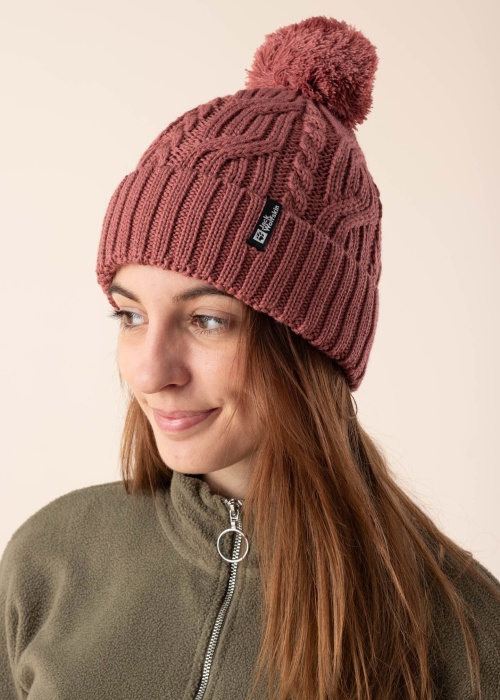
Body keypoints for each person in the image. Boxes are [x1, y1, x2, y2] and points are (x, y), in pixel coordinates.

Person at [1, 15, 499, 700]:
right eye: (130, 314)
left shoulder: (464, 634)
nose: (149, 372)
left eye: (208, 320)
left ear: (310, 340)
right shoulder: (49, 564)